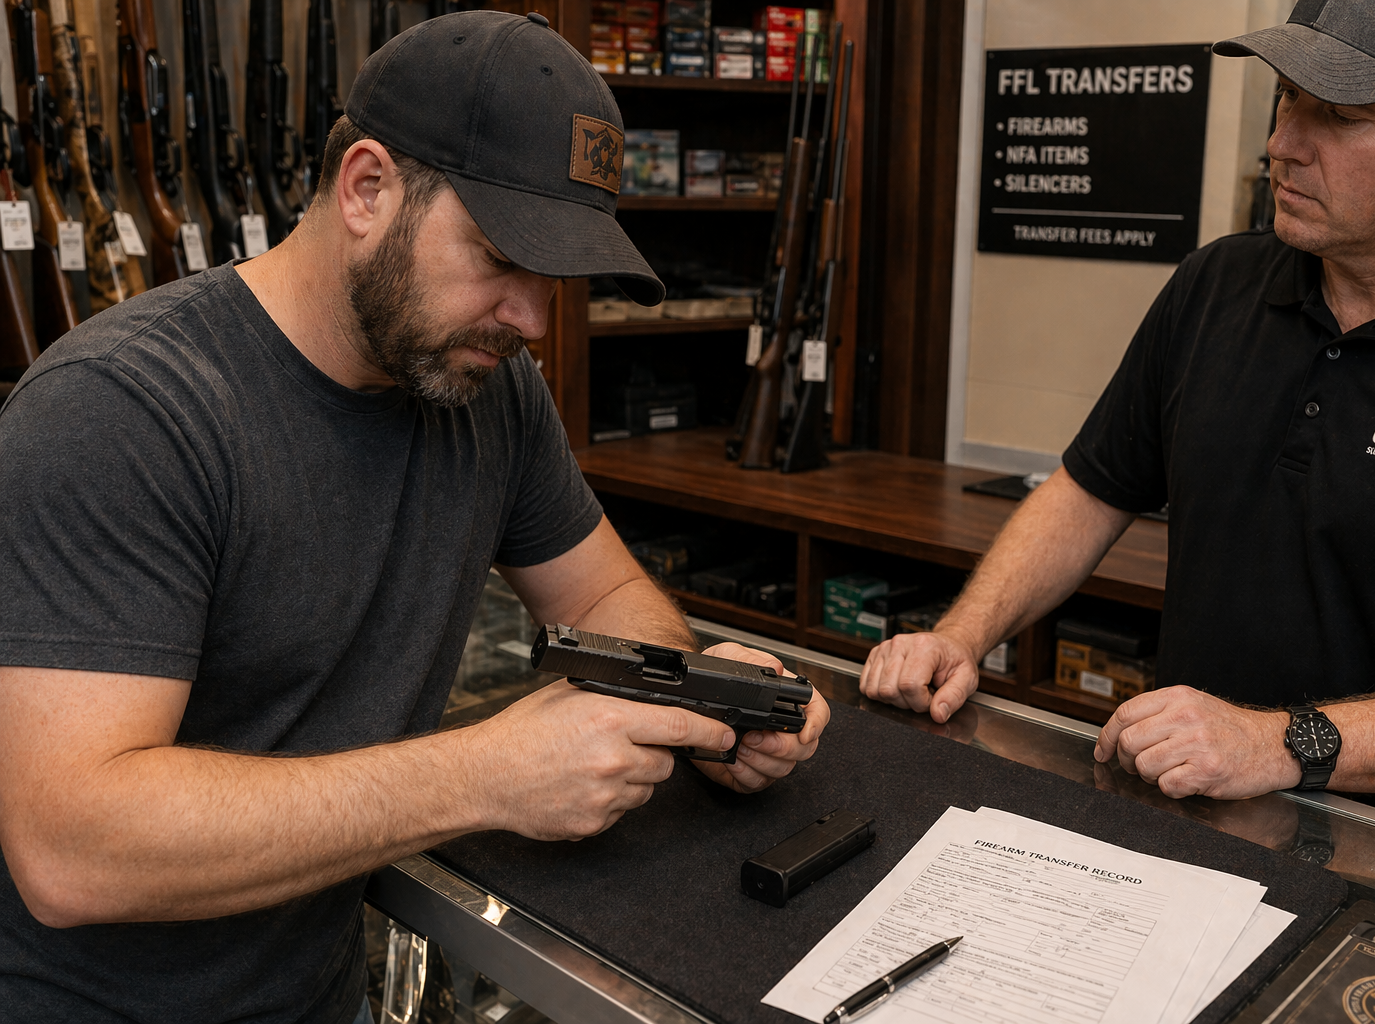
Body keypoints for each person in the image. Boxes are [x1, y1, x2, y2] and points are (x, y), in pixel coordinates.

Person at [0, 13, 828, 1023]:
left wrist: (698, 703)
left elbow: (604, 592)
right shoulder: (119, 413)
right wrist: (486, 775)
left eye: (553, 278)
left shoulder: (486, 388)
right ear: (366, 189)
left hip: (318, 992)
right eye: (499, 256)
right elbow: (72, 850)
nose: (531, 318)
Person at [860, 0, 1375, 850]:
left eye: (1341, 115)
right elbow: (1092, 490)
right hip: (1193, 820)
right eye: (1287, 97)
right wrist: (963, 635)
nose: (1283, 143)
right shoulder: (1217, 285)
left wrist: (1282, 743)